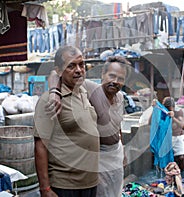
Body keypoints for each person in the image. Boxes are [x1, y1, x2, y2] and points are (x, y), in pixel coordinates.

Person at [47, 56, 131, 197]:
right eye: (111, 76)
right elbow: (55, 74)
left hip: (116, 155)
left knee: (115, 192)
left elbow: (117, 124)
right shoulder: (91, 89)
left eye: (120, 78)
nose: (115, 81)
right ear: (102, 75)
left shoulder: (120, 97)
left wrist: (122, 150)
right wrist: (54, 93)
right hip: (98, 158)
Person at [33, 45, 100, 197]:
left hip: (90, 182)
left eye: (81, 64)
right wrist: (45, 189)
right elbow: (40, 147)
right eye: (71, 66)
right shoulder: (49, 101)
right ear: (59, 70)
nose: (78, 70)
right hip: (65, 184)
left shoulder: (84, 91)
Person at [162, 97, 184, 171]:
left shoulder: (178, 112)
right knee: (166, 159)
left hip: (178, 137)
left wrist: (173, 118)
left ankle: (181, 175)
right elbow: (150, 122)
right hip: (167, 138)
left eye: (169, 108)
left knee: (180, 158)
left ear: (173, 107)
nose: (168, 110)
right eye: (166, 108)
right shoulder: (163, 112)